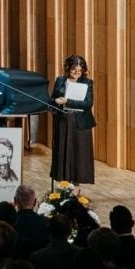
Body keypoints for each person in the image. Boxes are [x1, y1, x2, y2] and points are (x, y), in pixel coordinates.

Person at [49, 53, 96, 184]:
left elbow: (88, 104)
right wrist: (56, 101)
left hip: (80, 124)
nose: (77, 73)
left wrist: (67, 101)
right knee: (63, 152)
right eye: (74, 70)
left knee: (79, 155)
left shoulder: (87, 83)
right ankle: (63, 184)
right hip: (63, 122)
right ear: (68, 68)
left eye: (80, 71)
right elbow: (52, 99)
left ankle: (76, 186)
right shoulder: (60, 80)